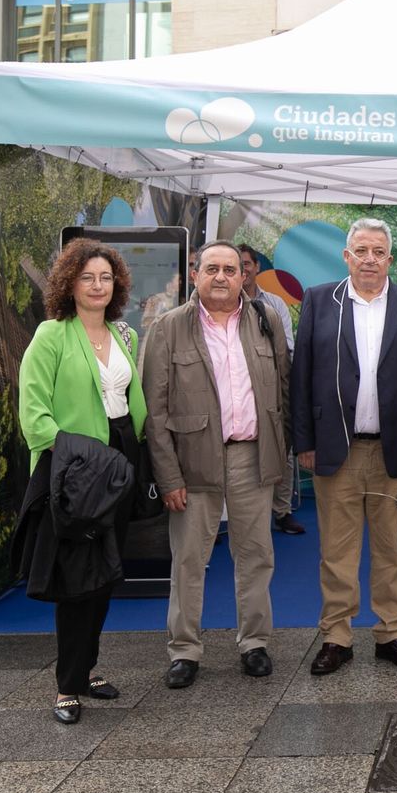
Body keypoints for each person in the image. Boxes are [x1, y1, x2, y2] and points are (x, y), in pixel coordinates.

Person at [291, 218, 397, 674]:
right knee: (336, 553)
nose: (370, 259)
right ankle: (336, 637)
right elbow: (301, 378)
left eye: (378, 251)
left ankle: (391, 632)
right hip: (336, 449)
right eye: (361, 250)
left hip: (394, 450)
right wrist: (303, 441)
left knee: (391, 551)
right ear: (346, 256)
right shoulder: (320, 301)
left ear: (390, 259)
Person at [141, 240, 290, 689]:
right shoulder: (168, 328)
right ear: (196, 275)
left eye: (230, 269)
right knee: (189, 558)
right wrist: (168, 476)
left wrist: (282, 463)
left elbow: (283, 393)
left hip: (252, 454)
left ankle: (255, 643)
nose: (222, 277)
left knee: (256, 555)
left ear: (244, 276)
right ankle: (184, 650)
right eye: (212, 269)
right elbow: (155, 410)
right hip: (193, 461)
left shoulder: (265, 322)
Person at [17, 239, 148, 725]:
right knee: (76, 579)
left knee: (105, 572)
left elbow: (132, 402)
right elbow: (34, 416)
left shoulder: (125, 335)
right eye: (88, 277)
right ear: (69, 284)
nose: (98, 286)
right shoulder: (52, 335)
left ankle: (86, 667)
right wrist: (81, 455)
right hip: (73, 470)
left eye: (106, 278)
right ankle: (67, 687)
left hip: (118, 463)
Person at [239, 243, 303, 535]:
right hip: (238, 390)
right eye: (235, 266)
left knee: (282, 449)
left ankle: (282, 511)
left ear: (257, 268)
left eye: (246, 264)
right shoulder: (220, 304)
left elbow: (287, 347)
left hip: (274, 386)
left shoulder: (275, 303)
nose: (242, 271)